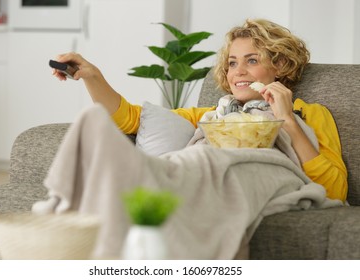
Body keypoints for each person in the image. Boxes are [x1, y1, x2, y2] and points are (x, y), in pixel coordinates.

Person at [39, 19, 346, 259]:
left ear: (278, 65)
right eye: (232, 62)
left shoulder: (309, 113)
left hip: (249, 169)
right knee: (92, 125)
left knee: (199, 159)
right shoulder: (215, 112)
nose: (238, 71)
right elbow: (129, 118)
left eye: (252, 60)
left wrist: (288, 122)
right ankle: (70, 211)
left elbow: (334, 189)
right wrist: (92, 76)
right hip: (193, 168)